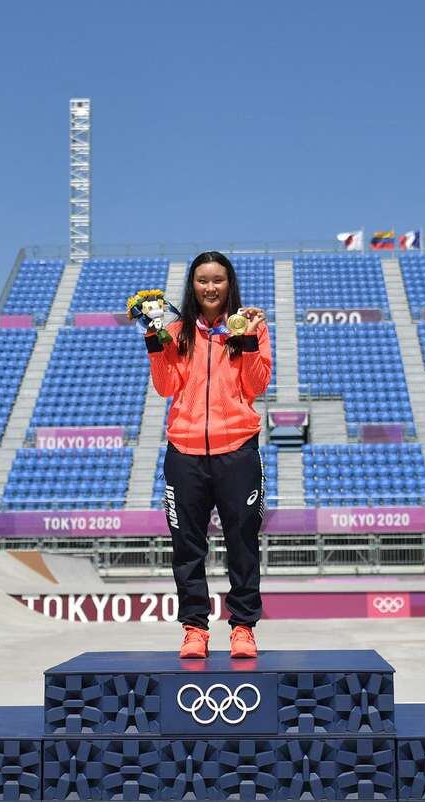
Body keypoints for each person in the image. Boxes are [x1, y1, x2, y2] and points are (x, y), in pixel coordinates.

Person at [145, 251, 272, 659]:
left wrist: (248, 339)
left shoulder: (250, 324)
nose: (211, 287)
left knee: (242, 542)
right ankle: (194, 629)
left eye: (218, 279)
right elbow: (166, 387)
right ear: (193, 285)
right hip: (184, 452)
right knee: (186, 545)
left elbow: (256, 387)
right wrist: (154, 340)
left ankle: (243, 628)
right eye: (203, 280)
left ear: (229, 283)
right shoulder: (178, 330)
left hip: (237, 450)